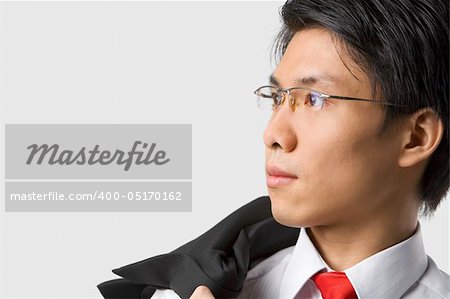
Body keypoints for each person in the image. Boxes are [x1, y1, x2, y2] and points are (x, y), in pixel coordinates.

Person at [98, 0, 449, 298]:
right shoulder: (200, 290)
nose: (273, 134)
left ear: (416, 137)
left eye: (315, 99)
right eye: (278, 98)